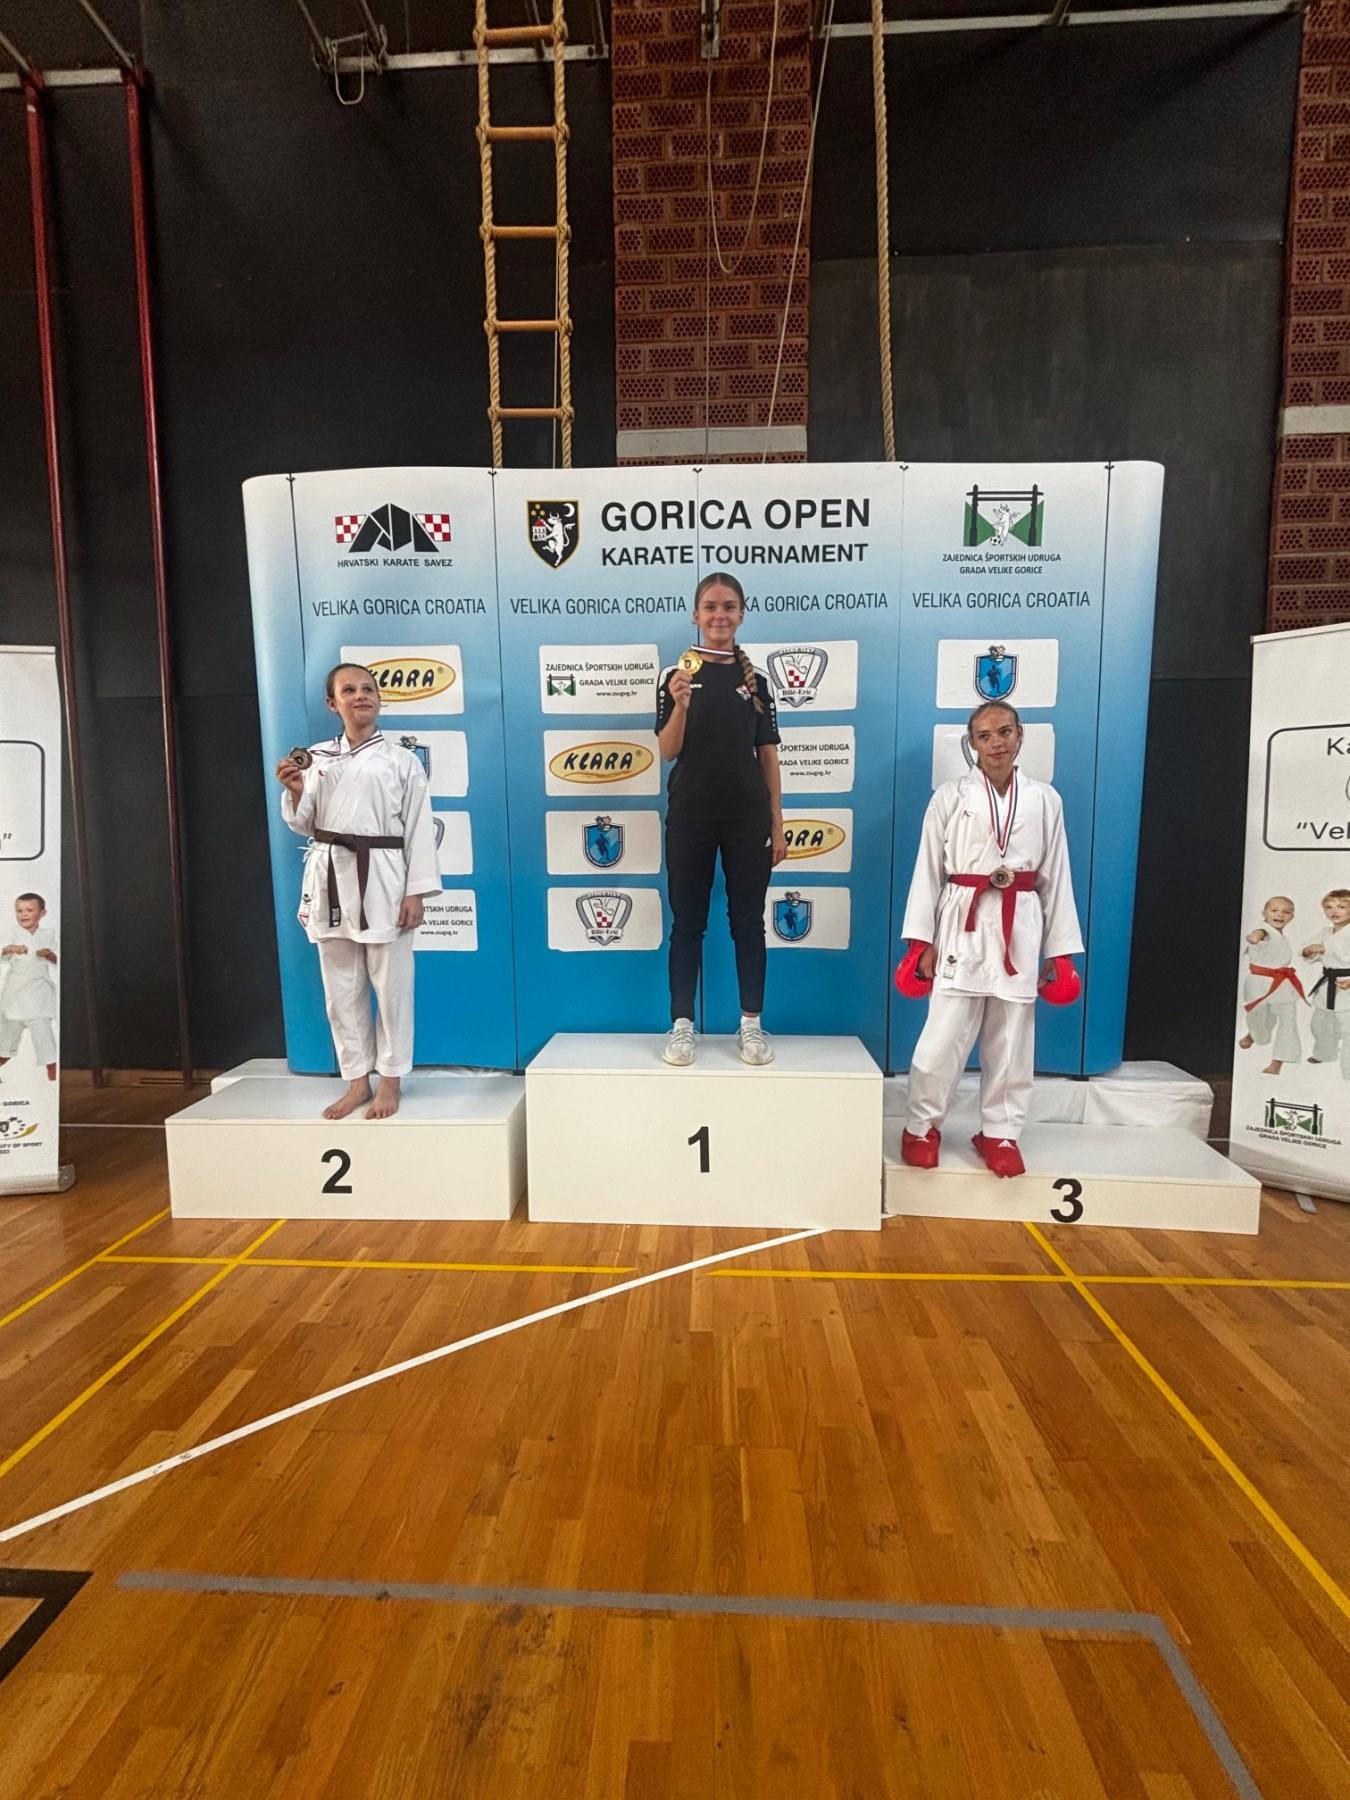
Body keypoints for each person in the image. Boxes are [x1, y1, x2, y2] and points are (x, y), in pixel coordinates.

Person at [898, 699, 1082, 1177]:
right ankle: (921, 1126)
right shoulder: (949, 797)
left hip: (1020, 923)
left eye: (1004, 732)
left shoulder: (1045, 799)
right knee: (942, 1037)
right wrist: (920, 942)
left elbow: (1057, 876)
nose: (996, 743)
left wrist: (1060, 952)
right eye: (985, 736)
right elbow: (928, 870)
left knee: (1012, 1039)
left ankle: (1000, 1132)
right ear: (972, 744)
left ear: (1020, 736)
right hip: (962, 918)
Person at [276, 662, 440, 1120]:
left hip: (384, 875)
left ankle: (390, 1080)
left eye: (368, 688)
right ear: (333, 703)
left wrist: (415, 892)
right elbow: (302, 823)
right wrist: (294, 791)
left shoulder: (402, 761)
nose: (361, 695)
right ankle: (355, 1081)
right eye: (349, 690)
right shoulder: (314, 759)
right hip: (330, 875)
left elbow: (419, 829)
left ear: (379, 700)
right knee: (341, 988)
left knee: (391, 986)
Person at [655, 571, 787, 1067]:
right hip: (690, 816)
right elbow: (668, 751)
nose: (719, 615)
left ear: (741, 615)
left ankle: (751, 1024)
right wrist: (680, 704)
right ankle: (681, 1026)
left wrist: (776, 822)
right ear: (696, 614)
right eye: (710, 606)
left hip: (747, 819)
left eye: (729, 606)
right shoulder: (675, 676)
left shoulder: (757, 682)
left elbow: (768, 755)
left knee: (748, 923)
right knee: (687, 923)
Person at [1237, 895, 1305, 1076]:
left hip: (1283, 984)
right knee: (1258, 1017)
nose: (1280, 915)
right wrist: (1255, 936)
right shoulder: (1264, 931)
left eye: (1286, 912)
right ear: (1264, 913)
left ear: (1292, 917)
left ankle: (1277, 1062)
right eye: (1274, 910)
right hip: (1259, 983)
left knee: (1288, 1022)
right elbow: (1260, 934)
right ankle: (1255, 1034)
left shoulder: (1281, 936)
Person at [0, 893, 58, 1083]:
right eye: (19, 911)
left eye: (29, 910)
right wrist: (10, 949)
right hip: (14, 994)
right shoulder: (11, 933)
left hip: (38, 993)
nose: (23, 914)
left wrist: (48, 954)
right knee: (5, 1042)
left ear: (42, 913)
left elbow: (58, 961)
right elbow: (2, 953)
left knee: (44, 1040)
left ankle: (52, 1079)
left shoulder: (49, 934)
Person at [1302, 887, 1350, 1078]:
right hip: (1327, 984)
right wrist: (1309, 950)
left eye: (1341, 907)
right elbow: (1306, 952)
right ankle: (1325, 1053)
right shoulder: (1325, 932)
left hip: (1347, 985)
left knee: (1348, 1029)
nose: (1334, 911)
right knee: (1320, 1023)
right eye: (1329, 907)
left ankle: (1348, 1068)